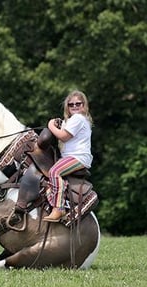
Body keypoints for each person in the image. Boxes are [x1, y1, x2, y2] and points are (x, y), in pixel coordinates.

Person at [43, 90, 93, 222]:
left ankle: (58, 208)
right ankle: (64, 203)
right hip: (72, 157)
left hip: (78, 157)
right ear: (68, 107)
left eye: (78, 103)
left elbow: (63, 137)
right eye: (71, 105)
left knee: (54, 172)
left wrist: (50, 125)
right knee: (48, 181)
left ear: (84, 105)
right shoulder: (73, 120)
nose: (75, 106)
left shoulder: (78, 118)